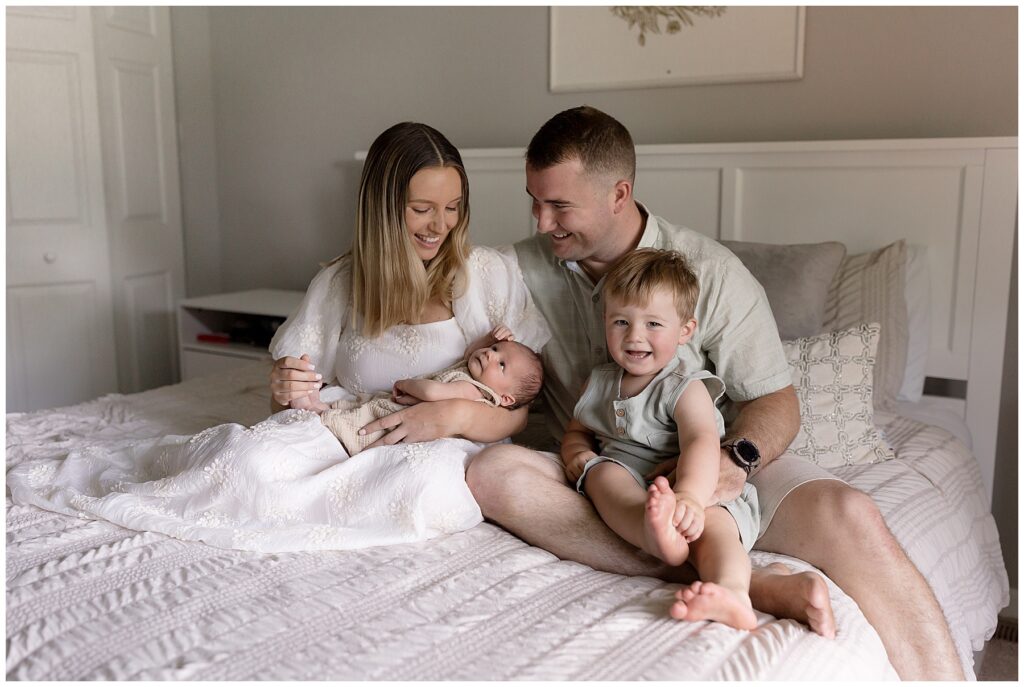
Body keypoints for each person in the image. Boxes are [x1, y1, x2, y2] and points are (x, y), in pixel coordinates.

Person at [8, 121, 550, 554]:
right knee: (247, 462)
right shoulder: (339, 284)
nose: (440, 226)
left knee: (422, 489)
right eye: (422, 209)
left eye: (453, 208)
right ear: (383, 210)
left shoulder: (485, 275)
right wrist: (284, 388)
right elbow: (290, 401)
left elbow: (519, 405)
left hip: (438, 447)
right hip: (341, 428)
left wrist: (455, 417)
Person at [565, 248, 759, 630]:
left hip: (692, 483)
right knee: (601, 475)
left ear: (685, 330)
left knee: (715, 528)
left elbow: (702, 441)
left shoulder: (684, 387)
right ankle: (653, 534)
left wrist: (690, 495)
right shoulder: (599, 382)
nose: (635, 336)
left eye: (653, 324)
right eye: (621, 321)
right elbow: (579, 428)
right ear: (605, 321)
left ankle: (733, 593)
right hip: (629, 479)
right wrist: (577, 452)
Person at [308, 326, 544, 455]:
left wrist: (406, 383)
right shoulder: (475, 372)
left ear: (505, 398)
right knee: (367, 404)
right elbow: (470, 353)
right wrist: (488, 338)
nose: (490, 354)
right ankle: (327, 410)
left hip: (410, 416)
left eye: (502, 364)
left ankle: (328, 420)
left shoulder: (473, 390)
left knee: (369, 419)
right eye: (494, 348)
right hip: (407, 407)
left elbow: (432, 394)